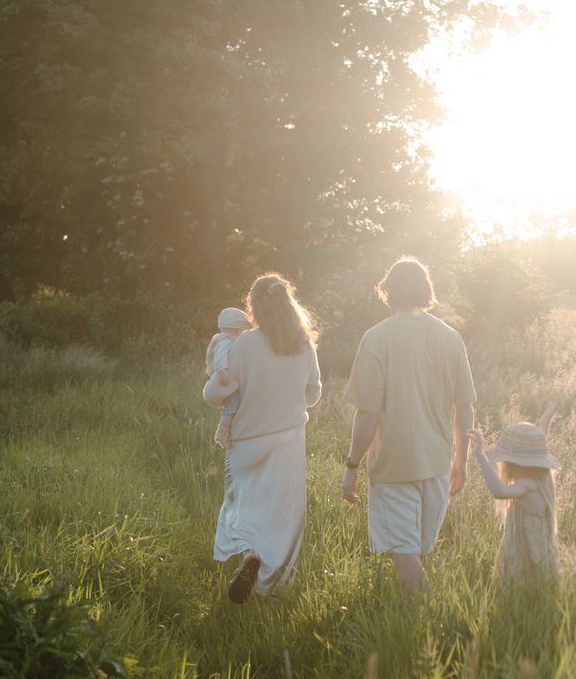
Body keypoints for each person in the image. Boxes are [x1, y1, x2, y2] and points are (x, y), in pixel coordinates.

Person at [340, 257, 476, 592]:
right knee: (416, 554)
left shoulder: (376, 338)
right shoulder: (450, 337)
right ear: (426, 291)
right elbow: (465, 407)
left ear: (388, 292)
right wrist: (461, 461)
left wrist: (352, 465)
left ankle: (432, 622)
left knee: (406, 560)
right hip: (437, 463)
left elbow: (368, 413)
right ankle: (418, 627)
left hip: (393, 465)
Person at [207, 273, 322, 604]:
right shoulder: (304, 345)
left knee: (241, 506)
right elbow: (313, 394)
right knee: (282, 516)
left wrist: (214, 386)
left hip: (247, 439)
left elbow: (219, 393)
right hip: (288, 441)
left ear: (254, 305)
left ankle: (249, 553)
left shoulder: (244, 343)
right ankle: (268, 589)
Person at [467, 415, 558, 584]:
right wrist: (547, 416)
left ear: (513, 463)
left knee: (526, 585)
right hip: (534, 550)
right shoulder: (541, 481)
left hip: (529, 554)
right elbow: (542, 434)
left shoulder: (526, 485)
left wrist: (480, 455)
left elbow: (498, 491)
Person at [204, 305, 250, 450]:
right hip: (226, 379)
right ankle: (222, 432)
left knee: (234, 405)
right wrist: (223, 371)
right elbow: (220, 357)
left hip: (229, 378)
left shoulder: (227, 339)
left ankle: (227, 431)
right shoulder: (226, 341)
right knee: (232, 405)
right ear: (236, 329)